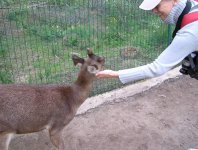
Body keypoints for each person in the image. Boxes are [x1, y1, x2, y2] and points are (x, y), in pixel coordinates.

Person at [96, 0, 198, 84]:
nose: (154, 10)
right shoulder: (192, 6)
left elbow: (157, 68)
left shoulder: (189, 31)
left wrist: (115, 74)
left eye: (157, 5)